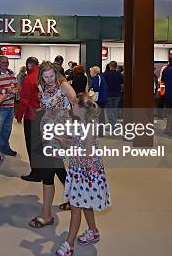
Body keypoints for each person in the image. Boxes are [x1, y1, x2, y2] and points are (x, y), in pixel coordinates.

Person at [55, 94, 111, 256]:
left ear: (82, 109)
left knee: (75, 207)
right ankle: (93, 231)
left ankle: (69, 244)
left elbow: (86, 153)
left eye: (74, 105)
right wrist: (63, 138)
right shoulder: (77, 122)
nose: (71, 108)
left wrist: (64, 142)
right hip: (78, 170)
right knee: (85, 204)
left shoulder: (90, 126)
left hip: (86, 172)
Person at [28, 61, 74, 230]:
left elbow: (77, 106)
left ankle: (46, 215)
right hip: (46, 134)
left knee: (47, 172)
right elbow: (48, 106)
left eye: (51, 76)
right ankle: (74, 197)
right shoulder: (43, 87)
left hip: (58, 136)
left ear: (56, 73)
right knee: (57, 168)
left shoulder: (64, 86)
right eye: (45, 76)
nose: (48, 79)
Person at [16, 57, 41, 182]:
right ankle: (43, 170)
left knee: (32, 145)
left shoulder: (28, 78)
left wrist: (19, 115)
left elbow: (24, 99)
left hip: (31, 116)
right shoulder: (44, 77)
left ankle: (36, 173)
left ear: (28, 65)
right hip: (44, 116)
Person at [0, 56, 18, 160]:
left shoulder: (11, 72)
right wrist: (5, 91)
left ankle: (4, 147)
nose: (5, 64)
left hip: (10, 105)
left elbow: (16, 85)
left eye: (7, 62)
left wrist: (16, 89)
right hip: (0, 106)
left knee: (7, 130)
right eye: (3, 62)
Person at [102, 61, 123, 128]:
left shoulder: (105, 74)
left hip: (108, 94)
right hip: (117, 94)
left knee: (109, 111)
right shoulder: (119, 74)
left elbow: (103, 85)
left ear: (109, 66)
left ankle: (112, 124)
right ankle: (113, 123)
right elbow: (122, 84)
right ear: (116, 66)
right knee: (115, 110)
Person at [89, 66, 108, 136]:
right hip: (103, 98)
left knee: (98, 116)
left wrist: (91, 88)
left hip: (99, 99)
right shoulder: (101, 77)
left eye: (90, 71)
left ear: (94, 72)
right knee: (101, 115)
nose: (90, 73)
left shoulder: (96, 78)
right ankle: (101, 132)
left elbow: (96, 88)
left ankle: (99, 132)